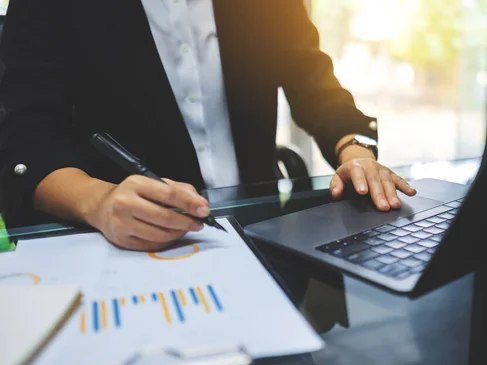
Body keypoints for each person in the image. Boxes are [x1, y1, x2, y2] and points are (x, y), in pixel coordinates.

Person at [0, 0, 416, 251]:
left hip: (262, 234)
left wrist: (355, 152)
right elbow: (28, 138)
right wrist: (99, 200)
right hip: (126, 246)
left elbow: (310, 77)